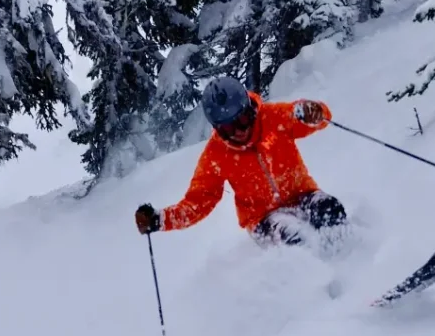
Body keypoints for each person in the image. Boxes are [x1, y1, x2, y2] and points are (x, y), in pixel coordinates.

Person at [135, 76, 347, 248]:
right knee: (293, 236)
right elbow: (197, 202)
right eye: (228, 128)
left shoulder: (274, 118)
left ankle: (350, 265)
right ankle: (316, 291)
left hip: (303, 196)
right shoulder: (216, 155)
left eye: (242, 121)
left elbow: (318, 119)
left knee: (330, 209)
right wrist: (159, 219)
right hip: (264, 219)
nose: (239, 132)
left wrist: (314, 112)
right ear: (217, 128)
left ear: (250, 110)